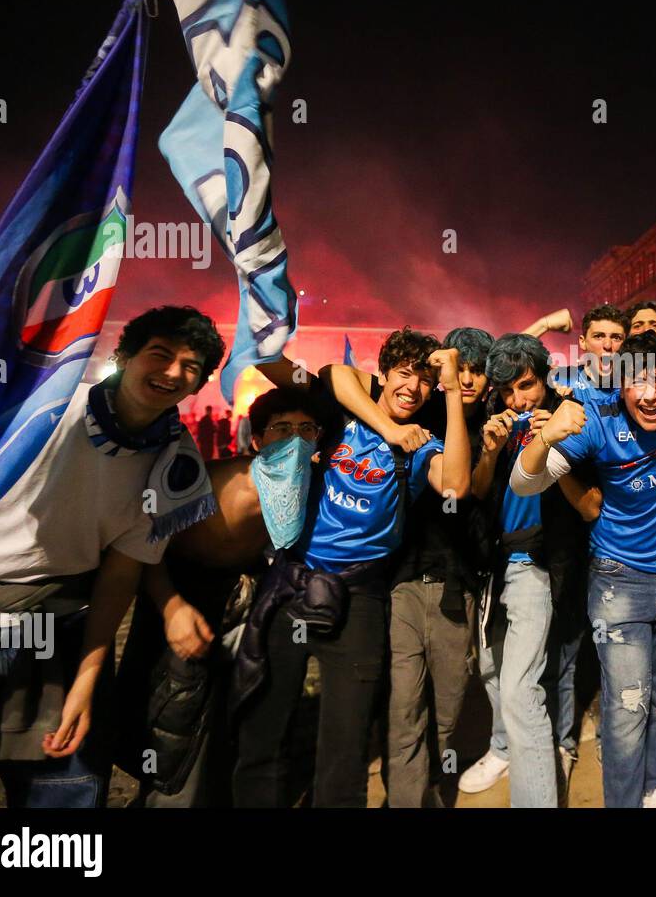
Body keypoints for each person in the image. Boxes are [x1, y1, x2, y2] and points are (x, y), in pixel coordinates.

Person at [0, 306, 224, 807]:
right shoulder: (47, 406)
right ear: (123, 355)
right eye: (159, 355)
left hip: (57, 627)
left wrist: (85, 684)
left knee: (64, 798)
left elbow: (121, 574)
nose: (171, 372)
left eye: (190, 366)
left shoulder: (174, 463)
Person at [231, 329, 471, 807]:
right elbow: (333, 374)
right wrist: (387, 427)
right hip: (294, 581)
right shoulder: (340, 413)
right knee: (264, 727)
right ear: (380, 374)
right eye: (404, 374)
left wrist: (452, 394)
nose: (413, 387)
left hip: (360, 595)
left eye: (425, 380)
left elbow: (457, 485)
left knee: (347, 738)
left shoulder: (421, 443)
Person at [511, 331, 656, 807]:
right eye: (639, 382)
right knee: (626, 711)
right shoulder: (600, 421)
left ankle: (654, 785)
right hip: (619, 584)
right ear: (621, 383)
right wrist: (547, 435)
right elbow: (525, 483)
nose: (651, 396)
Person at [114, 386, 323, 806]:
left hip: (244, 603)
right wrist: (172, 608)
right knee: (172, 724)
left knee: (231, 721)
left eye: (306, 429)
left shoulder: (310, 487)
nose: (296, 439)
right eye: (282, 429)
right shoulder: (215, 483)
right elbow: (143, 543)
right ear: (257, 440)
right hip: (181, 598)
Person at [462, 332, 597, 807]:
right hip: (495, 566)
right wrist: (492, 451)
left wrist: (552, 442)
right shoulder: (492, 419)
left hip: (539, 565)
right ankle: (508, 750)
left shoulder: (571, 413)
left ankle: (543, 779)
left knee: (522, 690)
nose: (518, 400)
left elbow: (591, 506)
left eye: (526, 386)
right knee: (493, 671)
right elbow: (477, 493)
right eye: (507, 391)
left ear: (544, 378)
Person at [384, 327, 494, 808]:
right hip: (406, 580)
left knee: (448, 707)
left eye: (476, 370)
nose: (466, 378)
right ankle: (407, 798)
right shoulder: (419, 411)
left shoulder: (492, 424)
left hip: (458, 584)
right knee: (405, 707)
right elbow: (343, 380)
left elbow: (463, 487)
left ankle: (434, 789)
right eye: (458, 368)